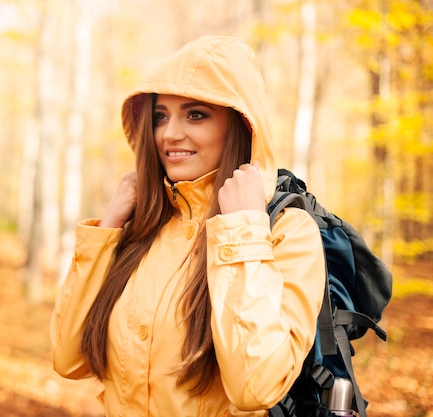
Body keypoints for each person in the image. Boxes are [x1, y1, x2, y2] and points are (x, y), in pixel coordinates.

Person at [50, 35, 326, 417]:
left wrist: (244, 230)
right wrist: (107, 231)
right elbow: (68, 357)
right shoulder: (143, 228)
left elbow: (255, 387)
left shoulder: (285, 232)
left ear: (241, 125)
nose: (169, 133)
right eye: (160, 116)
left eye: (196, 114)